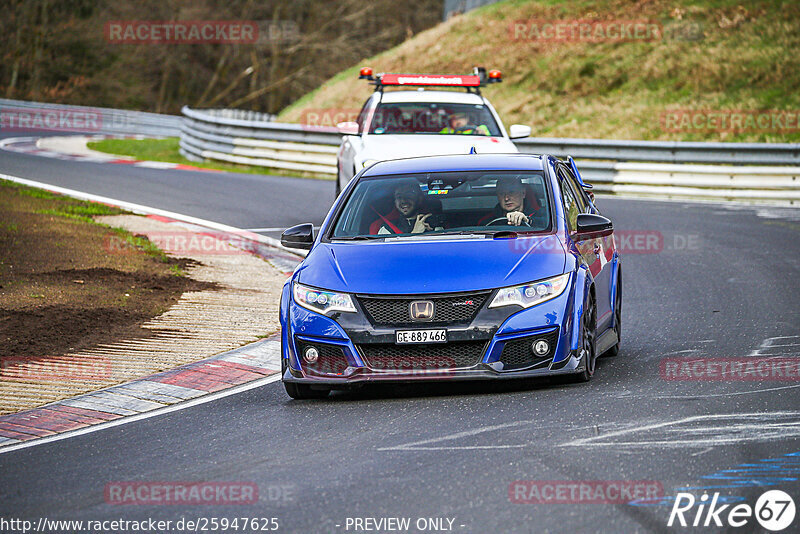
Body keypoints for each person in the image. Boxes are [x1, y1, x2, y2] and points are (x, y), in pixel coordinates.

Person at [369, 180, 437, 235]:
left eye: (408, 195)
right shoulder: (387, 229)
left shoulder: (433, 223)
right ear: (395, 202)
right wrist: (416, 233)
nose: (403, 201)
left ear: (419, 199)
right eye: (399, 197)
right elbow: (388, 251)